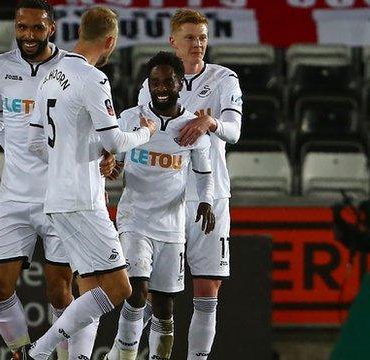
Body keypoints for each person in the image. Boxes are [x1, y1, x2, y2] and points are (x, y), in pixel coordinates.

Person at [19, 6, 157, 360]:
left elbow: (35, 143)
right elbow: (116, 142)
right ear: (110, 40)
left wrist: (85, 152)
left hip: (57, 198)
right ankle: (39, 352)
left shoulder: (49, 75)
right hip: (83, 200)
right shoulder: (93, 79)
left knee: (92, 289)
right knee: (119, 288)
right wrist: (146, 131)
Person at [0, 1, 113, 359]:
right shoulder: (0, 67)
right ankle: (23, 353)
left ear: (51, 29)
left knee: (59, 292)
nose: (28, 35)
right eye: (21, 27)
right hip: (13, 195)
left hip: (60, 196)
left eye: (37, 28)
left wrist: (107, 151)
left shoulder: (70, 69)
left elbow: (96, 124)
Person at [136, 9, 243, 359]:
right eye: (189, 38)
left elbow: (235, 132)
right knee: (153, 290)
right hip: (167, 197)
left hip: (212, 196)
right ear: (173, 42)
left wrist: (210, 122)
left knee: (207, 285)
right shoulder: (151, 85)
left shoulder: (225, 78)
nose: (197, 44)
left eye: (202, 37)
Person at [105, 51, 215, 360]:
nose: (161, 87)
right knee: (135, 292)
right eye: (155, 81)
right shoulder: (131, 118)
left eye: (168, 81)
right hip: (134, 219)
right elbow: (117, 163)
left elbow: (204, 175)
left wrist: (206, 200)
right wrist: (112, 168)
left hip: (171, 226)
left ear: (180, 83)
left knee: (165, 308)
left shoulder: (192, 127)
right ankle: (125, 356)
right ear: (148, 84)